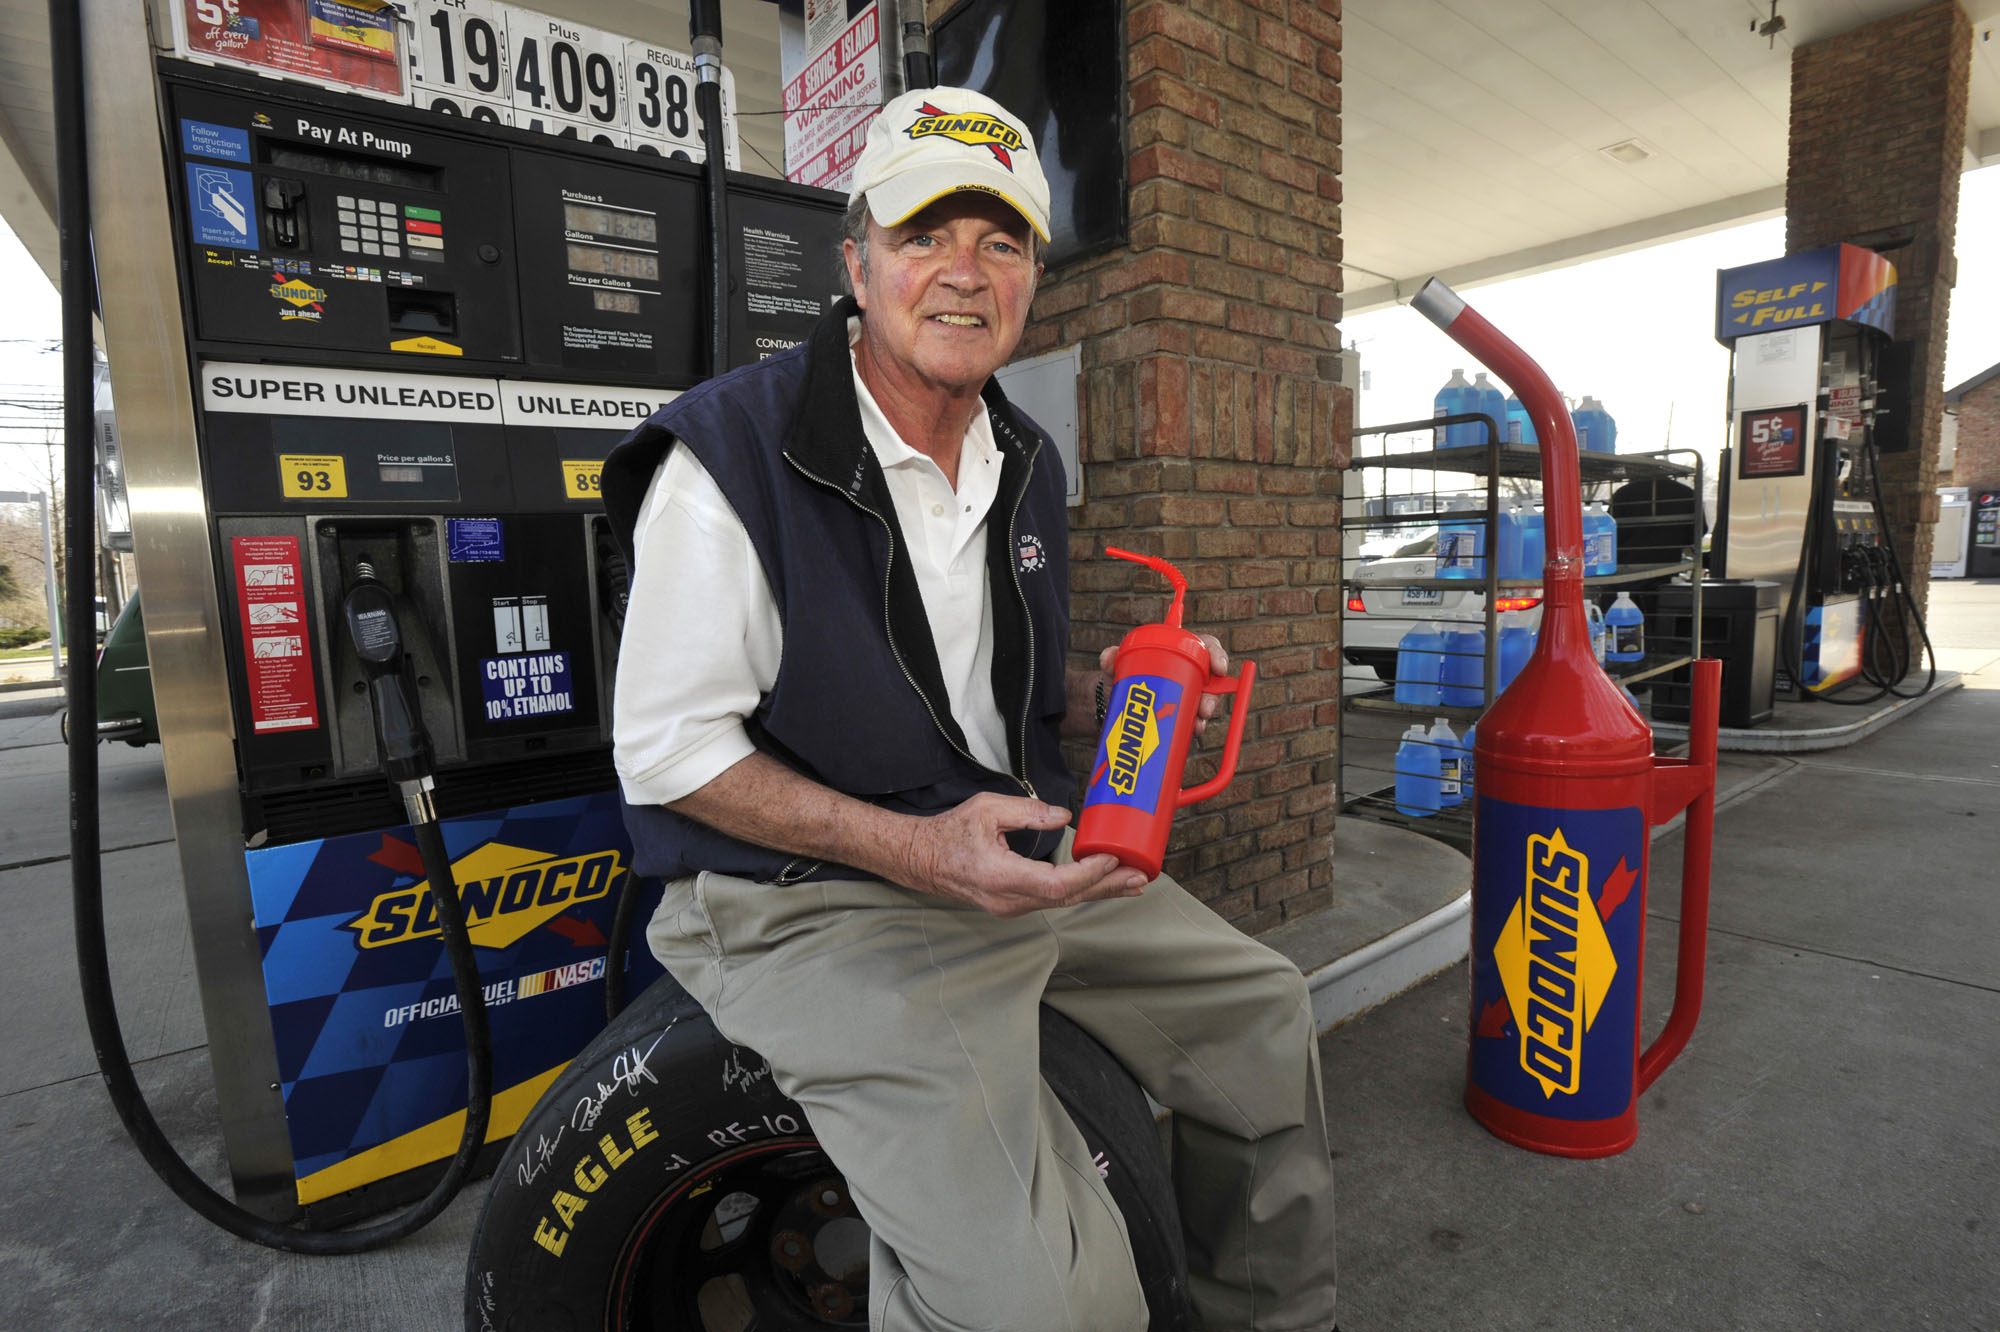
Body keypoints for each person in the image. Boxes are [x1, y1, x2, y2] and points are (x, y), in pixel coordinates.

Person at [602, 85, 1339, 1332]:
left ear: (1033, 276)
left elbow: (986, 675)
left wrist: (1119, 695)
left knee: (1264, 1016)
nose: (962, 272)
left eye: (999, 241)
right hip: (816, 903)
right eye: (922, 234)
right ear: (856, 262)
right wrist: (914, 848)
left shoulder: (1023, 457)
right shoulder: (722, 457)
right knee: (1040, 1307)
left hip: (1008, 848)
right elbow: (665, 752)